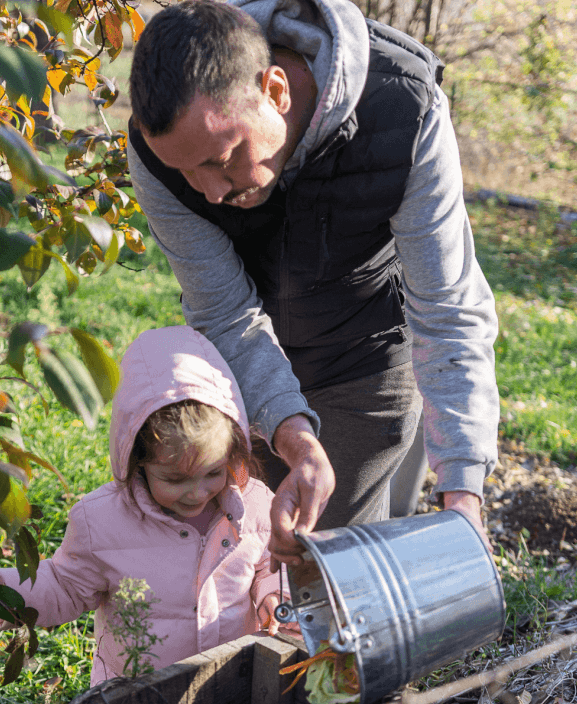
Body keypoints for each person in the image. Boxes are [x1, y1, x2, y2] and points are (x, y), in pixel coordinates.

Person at [127, 0, 499, 563]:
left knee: (327, 570)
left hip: (362, 359)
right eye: (187, 171)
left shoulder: (404, 107)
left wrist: (463, 490)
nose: (210, 193)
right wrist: (293, 436)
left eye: (224, 159)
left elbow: (448, 310)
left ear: (276, 91)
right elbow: (226, 315)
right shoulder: (157, 152)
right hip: (242, 367)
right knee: (239, 564)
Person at [0, 325, 287, 685]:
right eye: (175, 479)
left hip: (229, 682)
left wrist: (274, 594)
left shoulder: (256, 505)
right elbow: (64, 585)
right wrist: (7, 591)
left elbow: (270, 564)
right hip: (134, 693)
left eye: (213, 472)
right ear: (137, 461)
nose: (197, 493)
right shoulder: (103, 522)